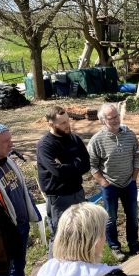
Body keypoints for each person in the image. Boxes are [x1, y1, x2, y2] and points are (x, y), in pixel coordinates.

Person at [88, 103, 139, 261]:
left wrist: (134, 177)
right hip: (110, 185)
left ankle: (134, 244)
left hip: (129, 183)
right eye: (112, 118)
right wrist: (103, 182)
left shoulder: (129, 134)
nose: (116, 120)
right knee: (111, 218)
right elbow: (91, 165)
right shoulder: (96, 141)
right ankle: (115, 247)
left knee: (132, 215)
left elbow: (137, 155)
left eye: (117, 116)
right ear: (103, 120)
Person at [0, 124, 40, 276]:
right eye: (6, 141)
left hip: (21, 226)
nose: (11, 144)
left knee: (19, 267)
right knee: (4, 275)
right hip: (6, 235)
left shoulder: (8, 162)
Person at [37, 107, 90, 254]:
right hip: (59, 198)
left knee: (81, 233)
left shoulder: (74, 139)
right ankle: (55, 271)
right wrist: (75, 165)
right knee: (61, 236)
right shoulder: (45, 145)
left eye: (68, 121)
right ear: (51, 124)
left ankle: (80, 266)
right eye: (62, 123)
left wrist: (66, 165)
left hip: (78, 193)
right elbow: (57, 171)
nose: (67, 125)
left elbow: (86, 165)